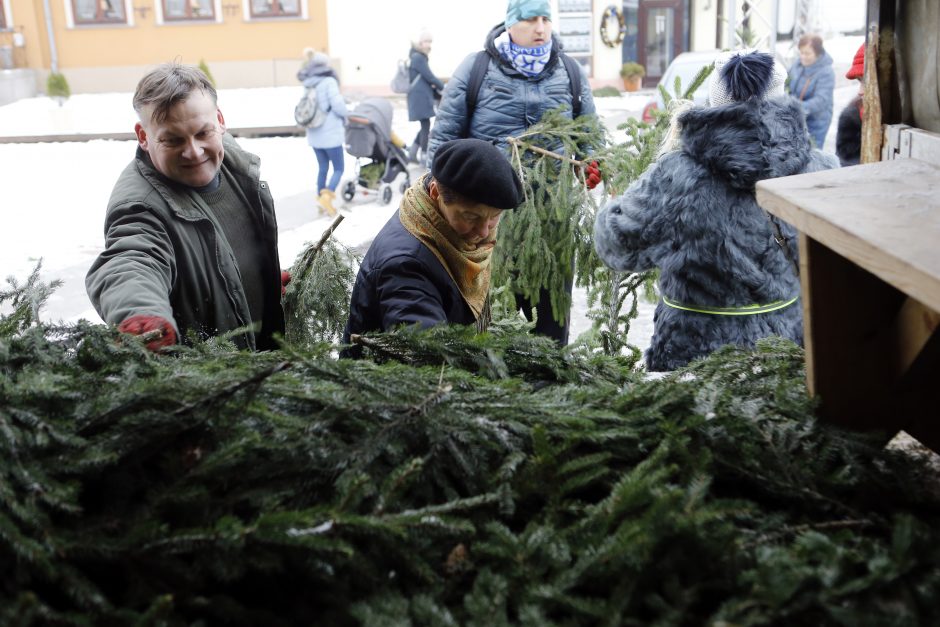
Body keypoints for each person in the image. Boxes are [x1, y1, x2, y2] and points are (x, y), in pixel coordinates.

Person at [593, 50, 840, 372]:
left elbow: (616, 244)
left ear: (715, 103)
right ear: (782, 101)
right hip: (785, 348)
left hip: (693, 353)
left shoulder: (676, 175)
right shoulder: (821, 170)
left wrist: (610, 207)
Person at [426, 0, 598, 345]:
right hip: (488, 220)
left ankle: (551, 380)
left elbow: (589, 132)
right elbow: (444, 139)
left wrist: (592, 163)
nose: (540, 28)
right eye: (530, 19)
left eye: (545, 19)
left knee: (551, 319)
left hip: (552, 220)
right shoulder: (476, 68)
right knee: (491, 317)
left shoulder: (570, 71)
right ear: (510, 23)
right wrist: (440, 190)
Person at [86, 62, 286, 352]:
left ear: (219, 121)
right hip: (215, 381)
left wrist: (260, 278)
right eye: (173, 140)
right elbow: (130, 261)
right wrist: (140, 315)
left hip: (265, 362)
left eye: (203, 133)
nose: (194, 151)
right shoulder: (140, 206)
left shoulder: (233, 162)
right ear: (144, 136)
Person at [342, 138, 523, 355]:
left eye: (494, 217)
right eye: (471, 217)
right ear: (436, 193)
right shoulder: (406, 267)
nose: (484, 232)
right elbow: (430, 357)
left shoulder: (423, 210)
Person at [297, 48, 348, 216]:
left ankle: (320, 202)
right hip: (331, 135)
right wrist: (346, 114)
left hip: (315, 135)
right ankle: (327, 197)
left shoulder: (309, 83)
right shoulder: (329, 81)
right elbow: (338, 105)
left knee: (323, 167)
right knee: (339, 168)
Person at [787, 34, 835, 149]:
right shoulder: (797, 64)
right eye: (801, 52)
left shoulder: (826, 72)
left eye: (807, 53)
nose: (803, 56)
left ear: (817, 53)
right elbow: (786, 82)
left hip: (816, 121)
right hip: (796, 116)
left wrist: (796, 107)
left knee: (811, 152)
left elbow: (821, 100)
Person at [406, 30, 445, 165]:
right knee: (426, 124)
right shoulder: (418, 57)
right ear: (420, 42)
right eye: (427, 41)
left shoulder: (417, 57)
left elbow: (426, 78)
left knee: (425, 124)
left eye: (430, 42)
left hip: (420, 96)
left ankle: (412, 153)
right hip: (419, 98)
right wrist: (443, 88)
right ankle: (423, 156)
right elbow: (429, 76)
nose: (429, 45)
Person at [836, 43, 865, 166]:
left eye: (867, 81)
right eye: (860, 81)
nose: (860, 91)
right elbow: (845, 162)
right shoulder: (851, 117)